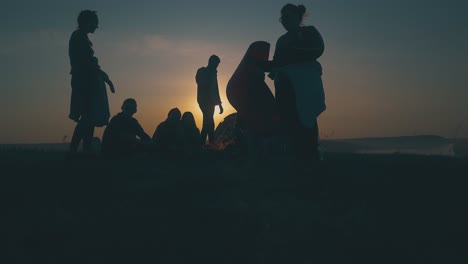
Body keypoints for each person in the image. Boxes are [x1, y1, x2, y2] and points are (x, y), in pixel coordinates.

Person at [260, 4, 326, 161]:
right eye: (283, 18)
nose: (285, 20)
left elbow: (318, 49)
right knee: (289, 119)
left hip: (305, 85)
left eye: (288, 16)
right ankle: (294, 156)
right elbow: (277, 63)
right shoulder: (281, 40)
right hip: (286, 85)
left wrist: (291, 55)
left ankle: (310, 156)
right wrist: (259, 65)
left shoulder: (309, 32)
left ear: (298, 17)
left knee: (306, 118)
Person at [68, 10, 115, 153]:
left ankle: (85, 150)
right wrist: (103, 75)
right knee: (87, 117)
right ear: (87, 22)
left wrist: (103, 76)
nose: (96, 27)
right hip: (84, 81)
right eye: (95, 23)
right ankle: (73, 151)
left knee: (90, 117)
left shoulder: (81, 37)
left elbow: (88, 63)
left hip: (87, 80)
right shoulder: (78, 37)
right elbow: (85, 62)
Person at [196, 55, 224, 145]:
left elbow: (216, 88)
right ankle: (209, 144)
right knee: (209, 122)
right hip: (204, 101)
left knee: (208, 123)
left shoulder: (213, 73)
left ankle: (206, 144)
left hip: (211, 102)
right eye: (216, 64)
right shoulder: (202, 71)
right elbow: (201, 83)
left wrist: (219, 104)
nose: (217, 66)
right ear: (211, 62)